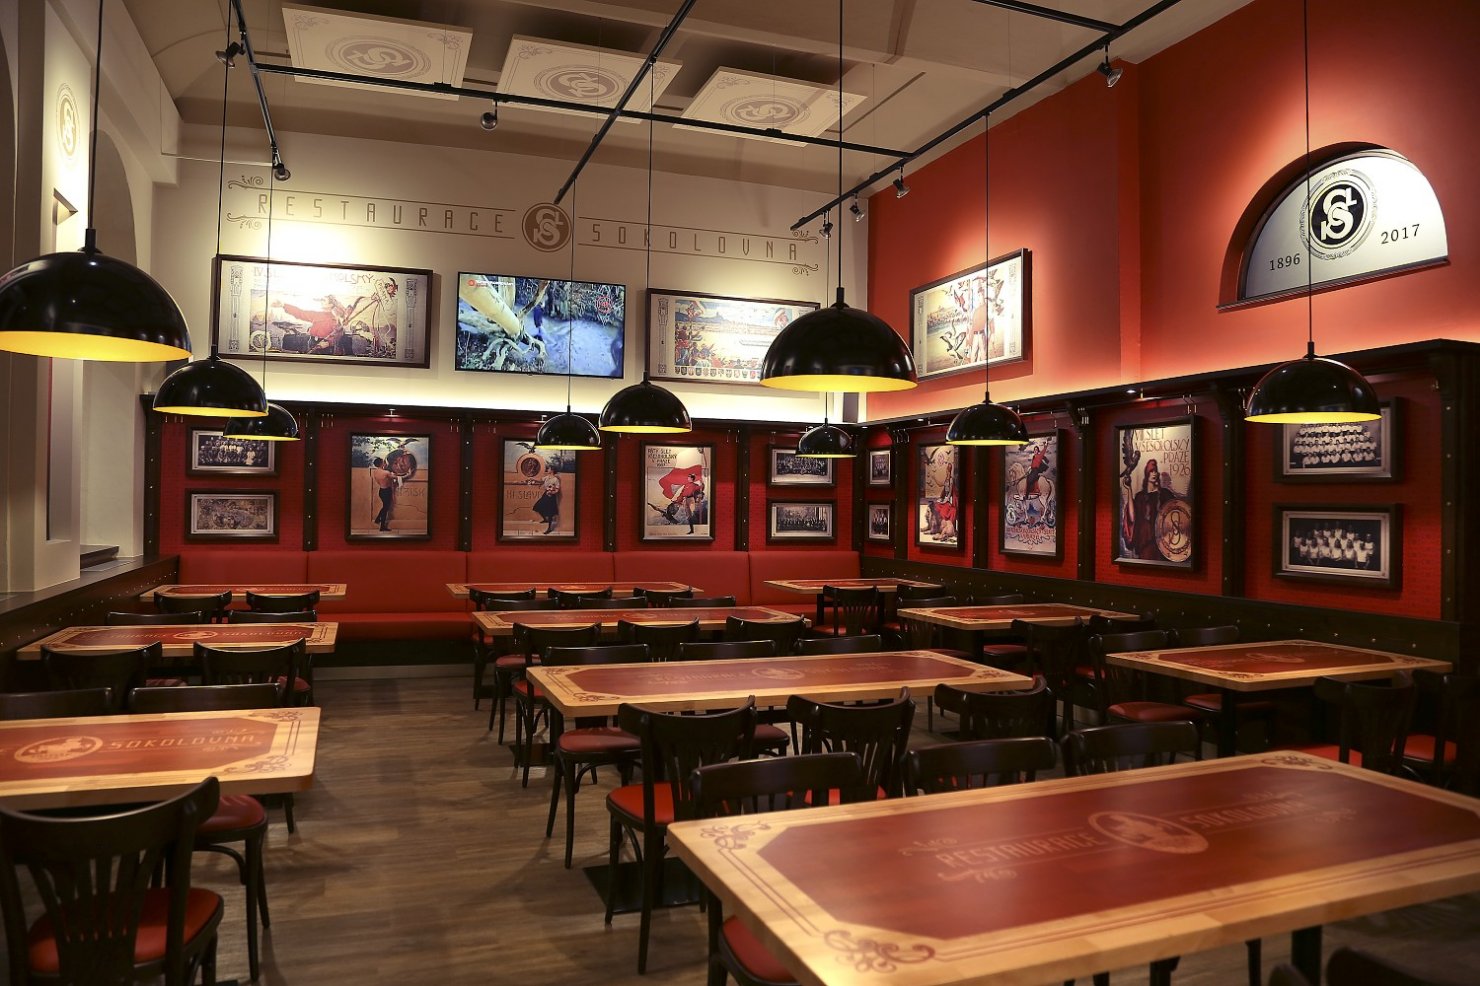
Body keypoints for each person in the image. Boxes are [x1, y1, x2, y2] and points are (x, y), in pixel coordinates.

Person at [1121, 458, 1179, 561]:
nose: (1154, 473)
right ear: (1147, 474)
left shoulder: (1165, 494)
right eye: (1151, 471)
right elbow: (1132, 518)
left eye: (1155, 471)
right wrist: (1129, 489)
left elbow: (1176, 512)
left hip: (1162, 541)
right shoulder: (1140, 497)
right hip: (1145, 541)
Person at [370, 456, 397, 532]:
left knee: (385, 507)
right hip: (387, 491)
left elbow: (380, 481)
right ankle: (382, 526)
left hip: (381, 491)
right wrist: (393, 474)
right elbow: (395, 477)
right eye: (383, 462)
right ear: (381, 463)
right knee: (385, 509)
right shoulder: (386, 472)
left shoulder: (375, 472)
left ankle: (377, 519)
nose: (385, 463)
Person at [533, 468, 561, 535]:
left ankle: (549, 528)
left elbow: (557, 489)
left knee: (550, 512)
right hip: (545, 494)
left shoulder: (555, 479)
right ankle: (545, 519)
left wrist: (551, 492)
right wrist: (533, 479)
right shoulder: (547, 477)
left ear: (552, 470)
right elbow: (540, 480)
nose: (548, 469)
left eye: (549, 469)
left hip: (551, 496)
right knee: (537, 506)